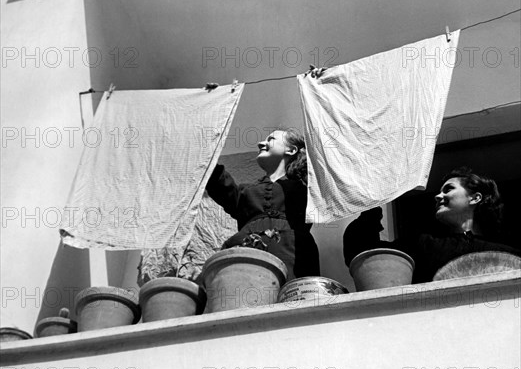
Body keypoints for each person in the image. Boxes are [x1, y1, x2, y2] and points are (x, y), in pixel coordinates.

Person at [343, 167, 521, 283]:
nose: (437, 196)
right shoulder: (422, 245)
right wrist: (373, 207)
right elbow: (361, 249)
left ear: (475, 198)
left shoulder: (507, 253)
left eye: (448, 189)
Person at [206, 129, 320, 280]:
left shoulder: (307, 186)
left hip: (294, 251)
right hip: (246, 250)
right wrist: (205, 150)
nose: (261, 143)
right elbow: (218, 182)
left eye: (270, 139)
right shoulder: (245, 191)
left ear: (291, 150)